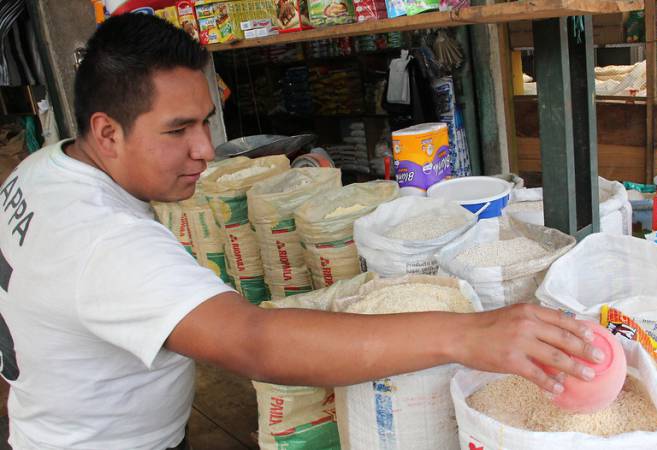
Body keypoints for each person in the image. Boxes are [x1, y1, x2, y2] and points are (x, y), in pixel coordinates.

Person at [0, 13, 604, 450]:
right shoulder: (107, 243)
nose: (205, 149)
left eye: (207, 121)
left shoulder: (42, 170)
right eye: (177, 129)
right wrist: (469, 336)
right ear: (107, 132)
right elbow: (257, 343)